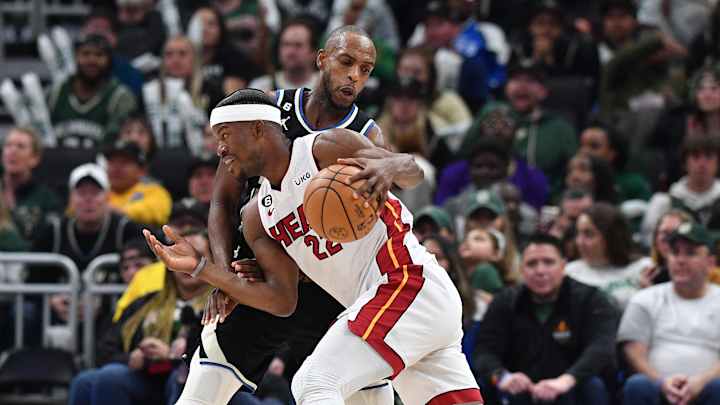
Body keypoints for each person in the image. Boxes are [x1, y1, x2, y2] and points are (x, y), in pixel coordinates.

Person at [144, 88, 483, 404]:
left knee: (314, 382)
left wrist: (388, 164)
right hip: (403, 305)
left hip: (405, 281)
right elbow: (281, 301)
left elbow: (412, 171)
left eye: (225, 135)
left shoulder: (324, 149)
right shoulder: (258, 216)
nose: (219, 149)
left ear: (258, 129)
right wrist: (201, 268)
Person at [202, 25, 389, 398]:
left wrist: (287, 267)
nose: (354, 76)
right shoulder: (268, 109)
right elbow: (223, 200)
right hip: (258, 272)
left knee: (358, 389)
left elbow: (363, 229)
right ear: (321, 60)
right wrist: (225, 275)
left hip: (327, 285)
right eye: (346, 62)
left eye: (365, 69)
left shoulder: (366, 136)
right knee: (209, 374)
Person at [68, 228, 211, 405]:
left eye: (198, 255)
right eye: (180, 255)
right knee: (86, 382)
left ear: (213, 261)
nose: (188, 263)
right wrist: (133, 357)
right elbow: (106, 348)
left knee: (181, 378)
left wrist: (172, 356)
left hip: (191, 377)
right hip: (146, 376)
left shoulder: (222, 303)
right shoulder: (145, 303)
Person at [474, 234, 617, 405]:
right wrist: (502, 377)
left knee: (593, 385)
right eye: (531, 264)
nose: (540, 271)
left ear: (563, 266)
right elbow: (484, 351)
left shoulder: (591, 299)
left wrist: (566, 380)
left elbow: (601, 348)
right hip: (520, 391)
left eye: (549, 262)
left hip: (573, 388)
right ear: (521, 269)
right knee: (486, 383)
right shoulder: (504, 301)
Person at [619, 221, 720, 405]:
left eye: (690, 253)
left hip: (710, 389)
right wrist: (661, 382)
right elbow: (634, 353)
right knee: (637, 384)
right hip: (656, 389)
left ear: (711, 263)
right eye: (674, 252)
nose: (680, 260)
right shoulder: (644, 299)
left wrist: (700, 382)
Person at [48, 34, 138, 149]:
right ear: (75, 57)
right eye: (86, 54)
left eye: (99, 55)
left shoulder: (121, 97)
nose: (92, 60)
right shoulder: (56, 92)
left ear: (109, 60)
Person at [566, 202, 652, 309]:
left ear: (611, 237)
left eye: (589, 234)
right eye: (578, 233)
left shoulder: (644, 268)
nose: (580, 242)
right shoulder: (570, 273)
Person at [642, 136, 720, 242]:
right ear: (684, 163)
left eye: (708, 157)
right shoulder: (664, 202)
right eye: (696, 157)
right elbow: (649, 240)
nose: (702, 164)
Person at [1, 127, 61, 243]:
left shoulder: (47, 199)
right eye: (8, 145)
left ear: (35, 158)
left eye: (20, 146)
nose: (12, 151)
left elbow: (47, 241)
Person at [104, 139, 173, 228]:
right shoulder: (100, 192)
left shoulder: (154, 191)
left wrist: (118, 212)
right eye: (112, 162)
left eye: (124, 162)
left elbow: (158, 211)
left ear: (142, 170)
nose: (116, 168)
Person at [249, 18, 320, 93]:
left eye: (298, 45)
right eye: (286, 44)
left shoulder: (325, 86)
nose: (290, 52)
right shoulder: (260, 87)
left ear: (314, 52)